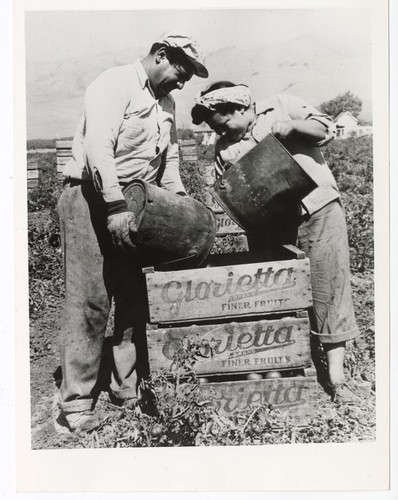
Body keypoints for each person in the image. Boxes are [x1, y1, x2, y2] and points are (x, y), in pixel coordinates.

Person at [56, 32, 209, 432]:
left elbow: (169, 158)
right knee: (89, 300)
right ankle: (76, 404)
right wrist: (114, 206)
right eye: (182, 70)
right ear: (161, 55)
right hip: (92, 197)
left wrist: (180, 203)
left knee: (131, 296)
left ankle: (126, 388)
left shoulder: (167, 102)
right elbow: (98, 151)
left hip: (138, 204)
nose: (184, 81)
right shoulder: (114, 83)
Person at [191, 81, 359, 403]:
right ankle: (291, 363)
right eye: (217, 130)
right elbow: (225, 189)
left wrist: (292, 127)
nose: (223, 134)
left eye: (224, 124)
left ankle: (337, 378)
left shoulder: (281, 106)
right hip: (273, 223)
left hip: (318, 210)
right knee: (277, 294)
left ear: (240, 107)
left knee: (329, 287)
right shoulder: (223, 148)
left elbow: (326, 127)